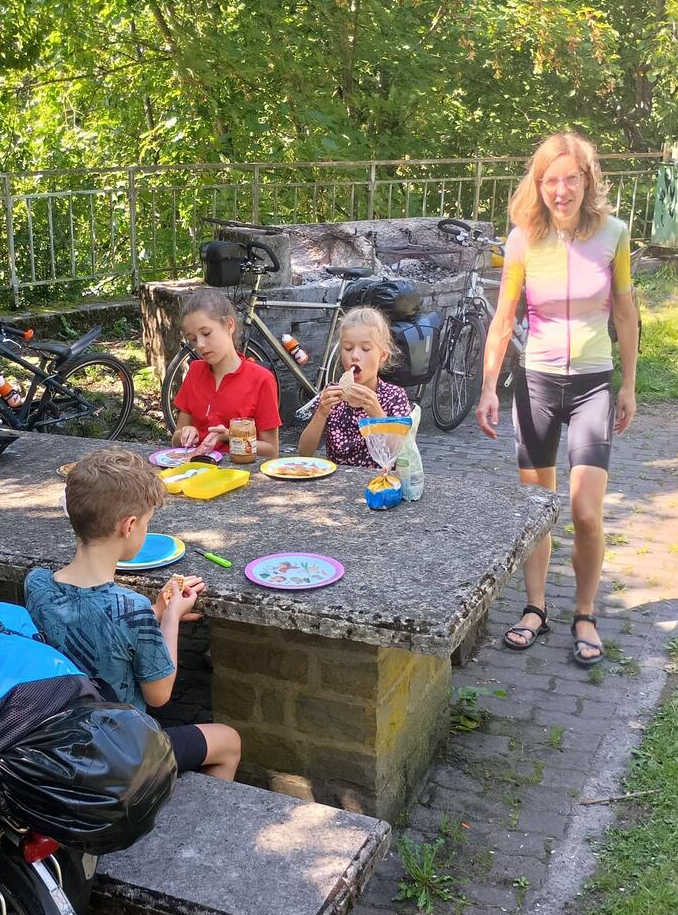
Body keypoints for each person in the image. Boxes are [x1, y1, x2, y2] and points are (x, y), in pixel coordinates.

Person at [474, 131, 640, 667]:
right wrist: (488, 387)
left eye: (571, 179)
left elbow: (625, 313)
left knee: (585, 511)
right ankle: (536, 608)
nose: (561, 190)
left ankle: (585, 613)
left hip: (592, 384)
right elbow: (503, 318)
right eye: (550, 180)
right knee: (536, 511)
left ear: (587, 181)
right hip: (537, 384)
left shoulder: (614, 234)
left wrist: (629, 384)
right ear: (538, 184)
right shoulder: (522, 240)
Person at [24, 448, 243, 779]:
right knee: (228, 741)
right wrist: (170, 617)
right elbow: (159, 695)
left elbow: (98, 627)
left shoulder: (37, 584)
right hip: (119, 752)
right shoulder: (131, 608)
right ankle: (162, 801)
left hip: (60, 742)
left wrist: (155, 611)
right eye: (147, 522)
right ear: (129, 526)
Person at [170, 289, 282, 459]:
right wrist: (185, 434)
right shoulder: (194, 371)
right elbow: (176, 439)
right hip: (196, 467)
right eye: (193, 339)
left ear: (229, 325)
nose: (200, 345)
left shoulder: (261, 379)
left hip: (238, 470)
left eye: (206, 333)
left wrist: (230, 436)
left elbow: (271, 450)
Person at [297, 306, 412, 466]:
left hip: (378, 479)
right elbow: (304, 451)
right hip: (337, 478)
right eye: (348, 348)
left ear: (383, 355)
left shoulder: (394, 396)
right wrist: (321, 413)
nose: (355, 356)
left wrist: (378, 416)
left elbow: (400, 453)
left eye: (365, 349)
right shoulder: (332, 393)